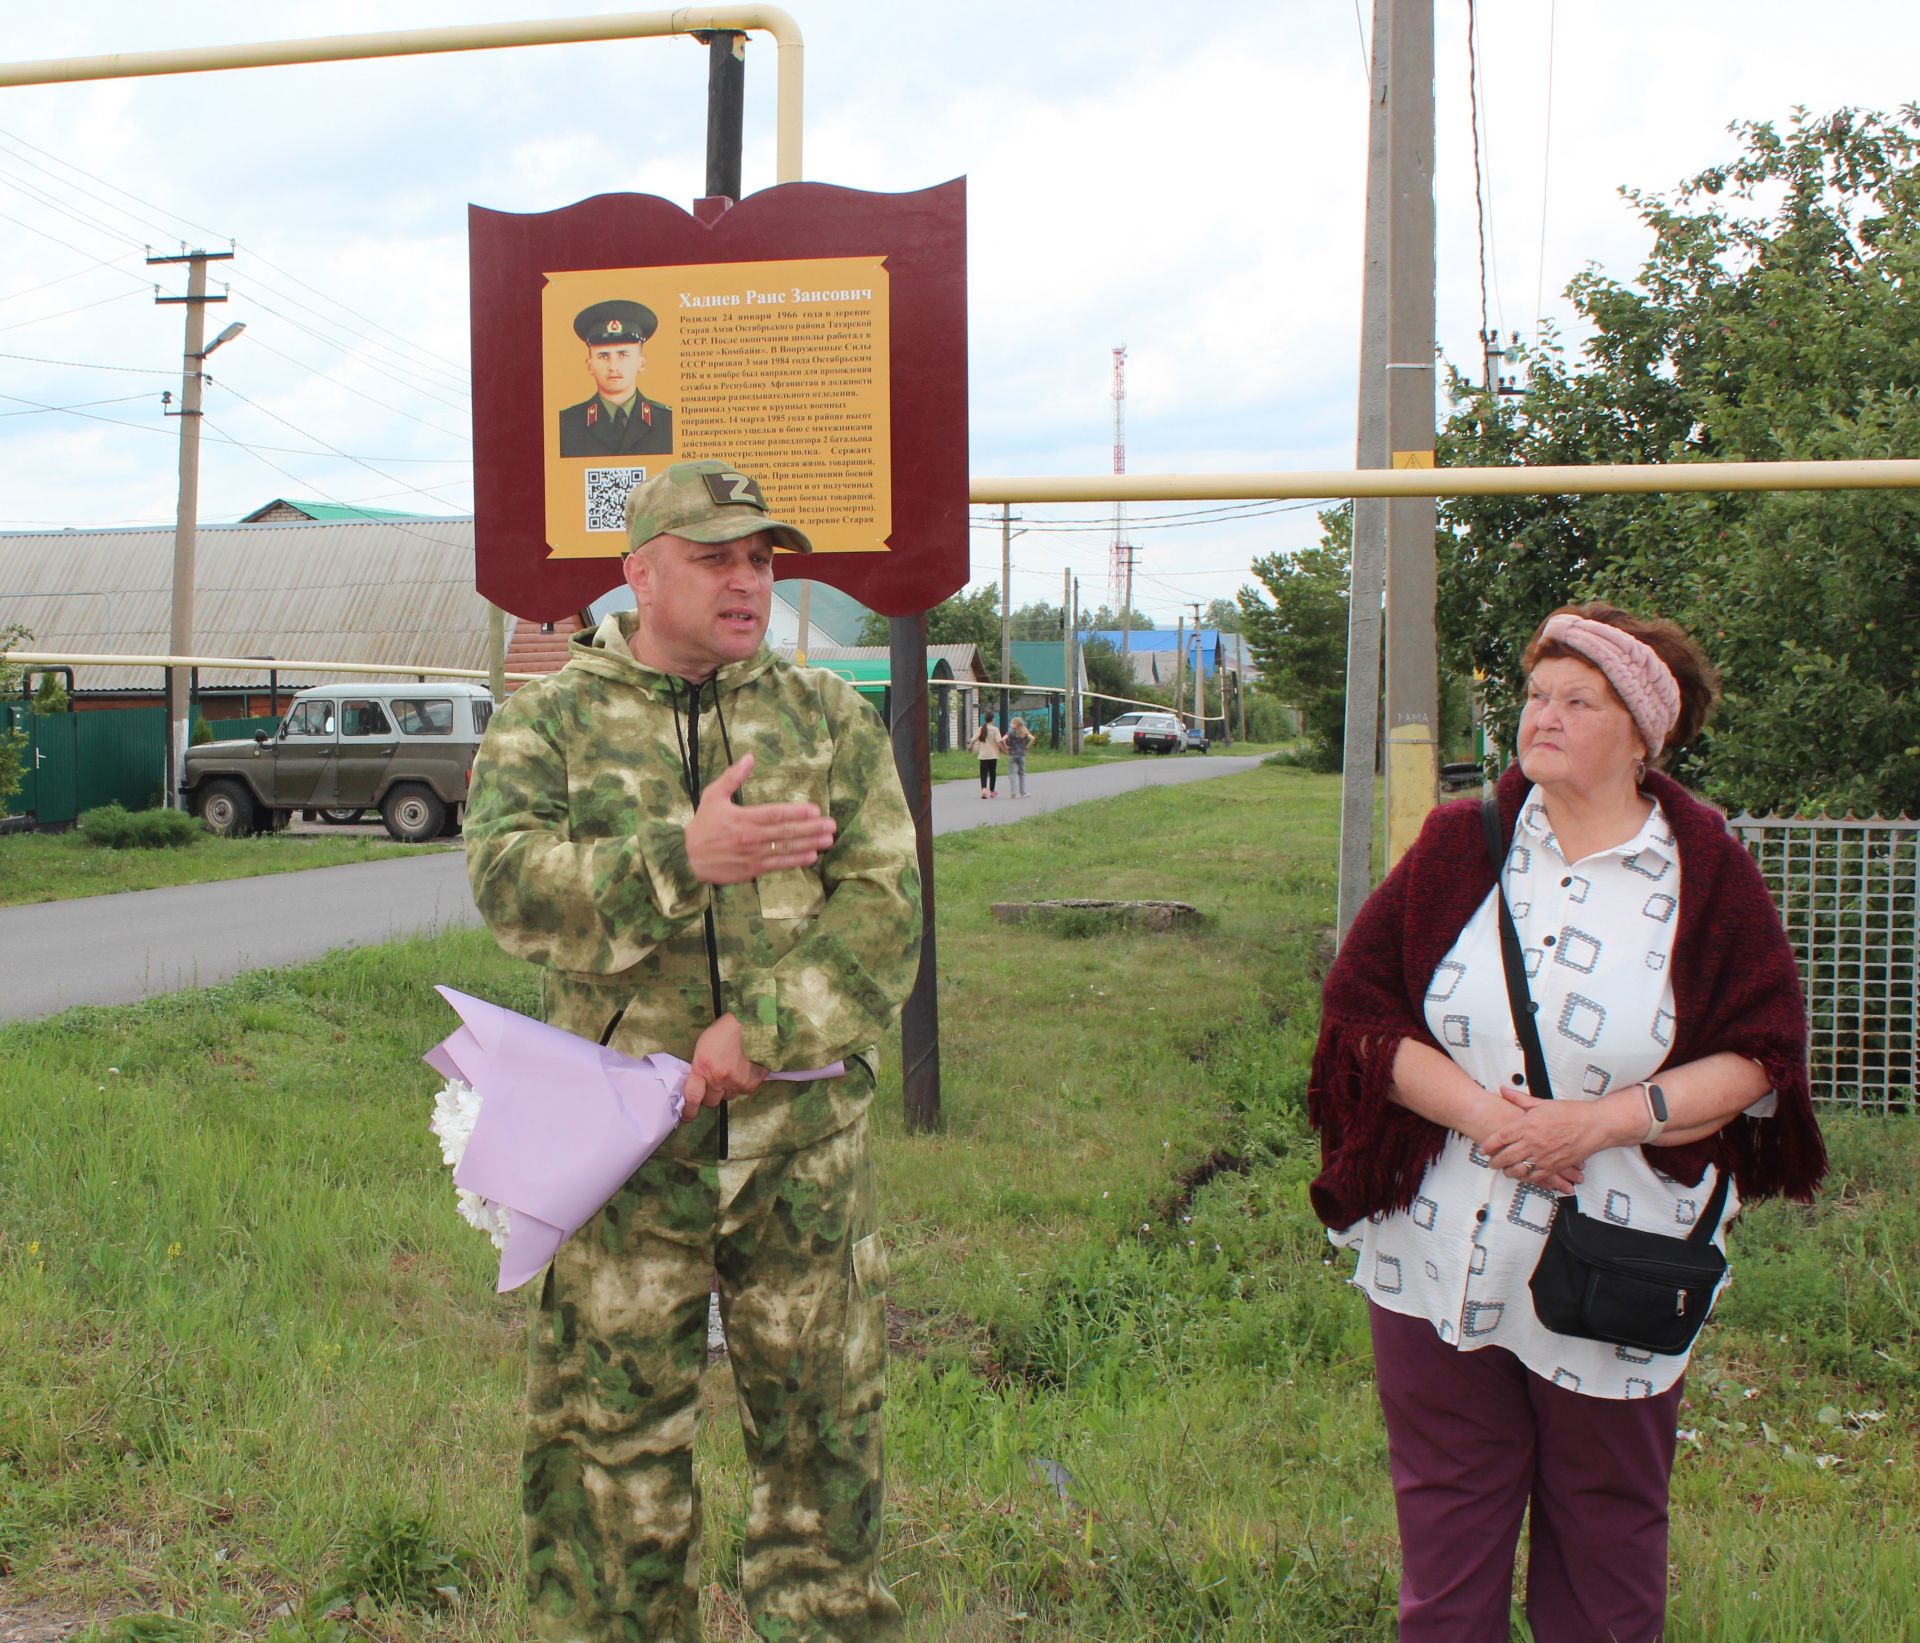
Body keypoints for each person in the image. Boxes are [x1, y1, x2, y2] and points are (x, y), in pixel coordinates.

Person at [465, 458, 921, 1643]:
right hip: (621, 1157)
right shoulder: (550, 718)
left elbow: (885, 907)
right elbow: (511, 891)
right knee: (609, 1456)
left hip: (800, 1154)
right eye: (716, 556)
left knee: (824, 1447)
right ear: (641, 572)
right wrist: (683, 853)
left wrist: (758, 1035)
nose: (748, 580)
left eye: (762, 558)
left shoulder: (826, 716)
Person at [1308, 601, 1825, 1643]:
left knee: (1607, 1554)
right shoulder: (1464, 842)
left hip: (1621, 1263)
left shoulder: (1706, 870)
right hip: (1441, 1254)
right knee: (1446, 1557)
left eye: (1576, 700)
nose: (1541, 716)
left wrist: (1595, 1124)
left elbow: (1763, 1051)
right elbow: (1360, 1010)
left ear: (1643, 735)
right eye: (1536, 694)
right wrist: (1490, 1119)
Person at [557, 298, 675, 458]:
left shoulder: (669, 422)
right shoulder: (565, 424)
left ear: (641, 362)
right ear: (589, 365)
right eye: (603, 356)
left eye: (623, 355)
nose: (613, 366)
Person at [969, 713, 1008, 798]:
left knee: (983, 773)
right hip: (993, 755)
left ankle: (983, 789)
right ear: (993, 719)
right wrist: (1004, 751)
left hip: (983, 755)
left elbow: (972, 740)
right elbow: (998, 742)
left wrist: (970, 747)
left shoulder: (981, 729)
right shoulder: (995, 729)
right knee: (992, 773)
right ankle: (992, 791)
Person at [1004, 713, 1034, 798]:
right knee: (1022, 773)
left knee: (1012, 774)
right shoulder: (1024, 731)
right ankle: (1023, 792)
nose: (1010, 724)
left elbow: (1003, 739)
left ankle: (1013, 793)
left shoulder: (1010, 732)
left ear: (1015, 724)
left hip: (1012, 754)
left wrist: (1005, 746)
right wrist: (1027, 747)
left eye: (1012, 723)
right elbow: (1032, 738)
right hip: (1021, 754)